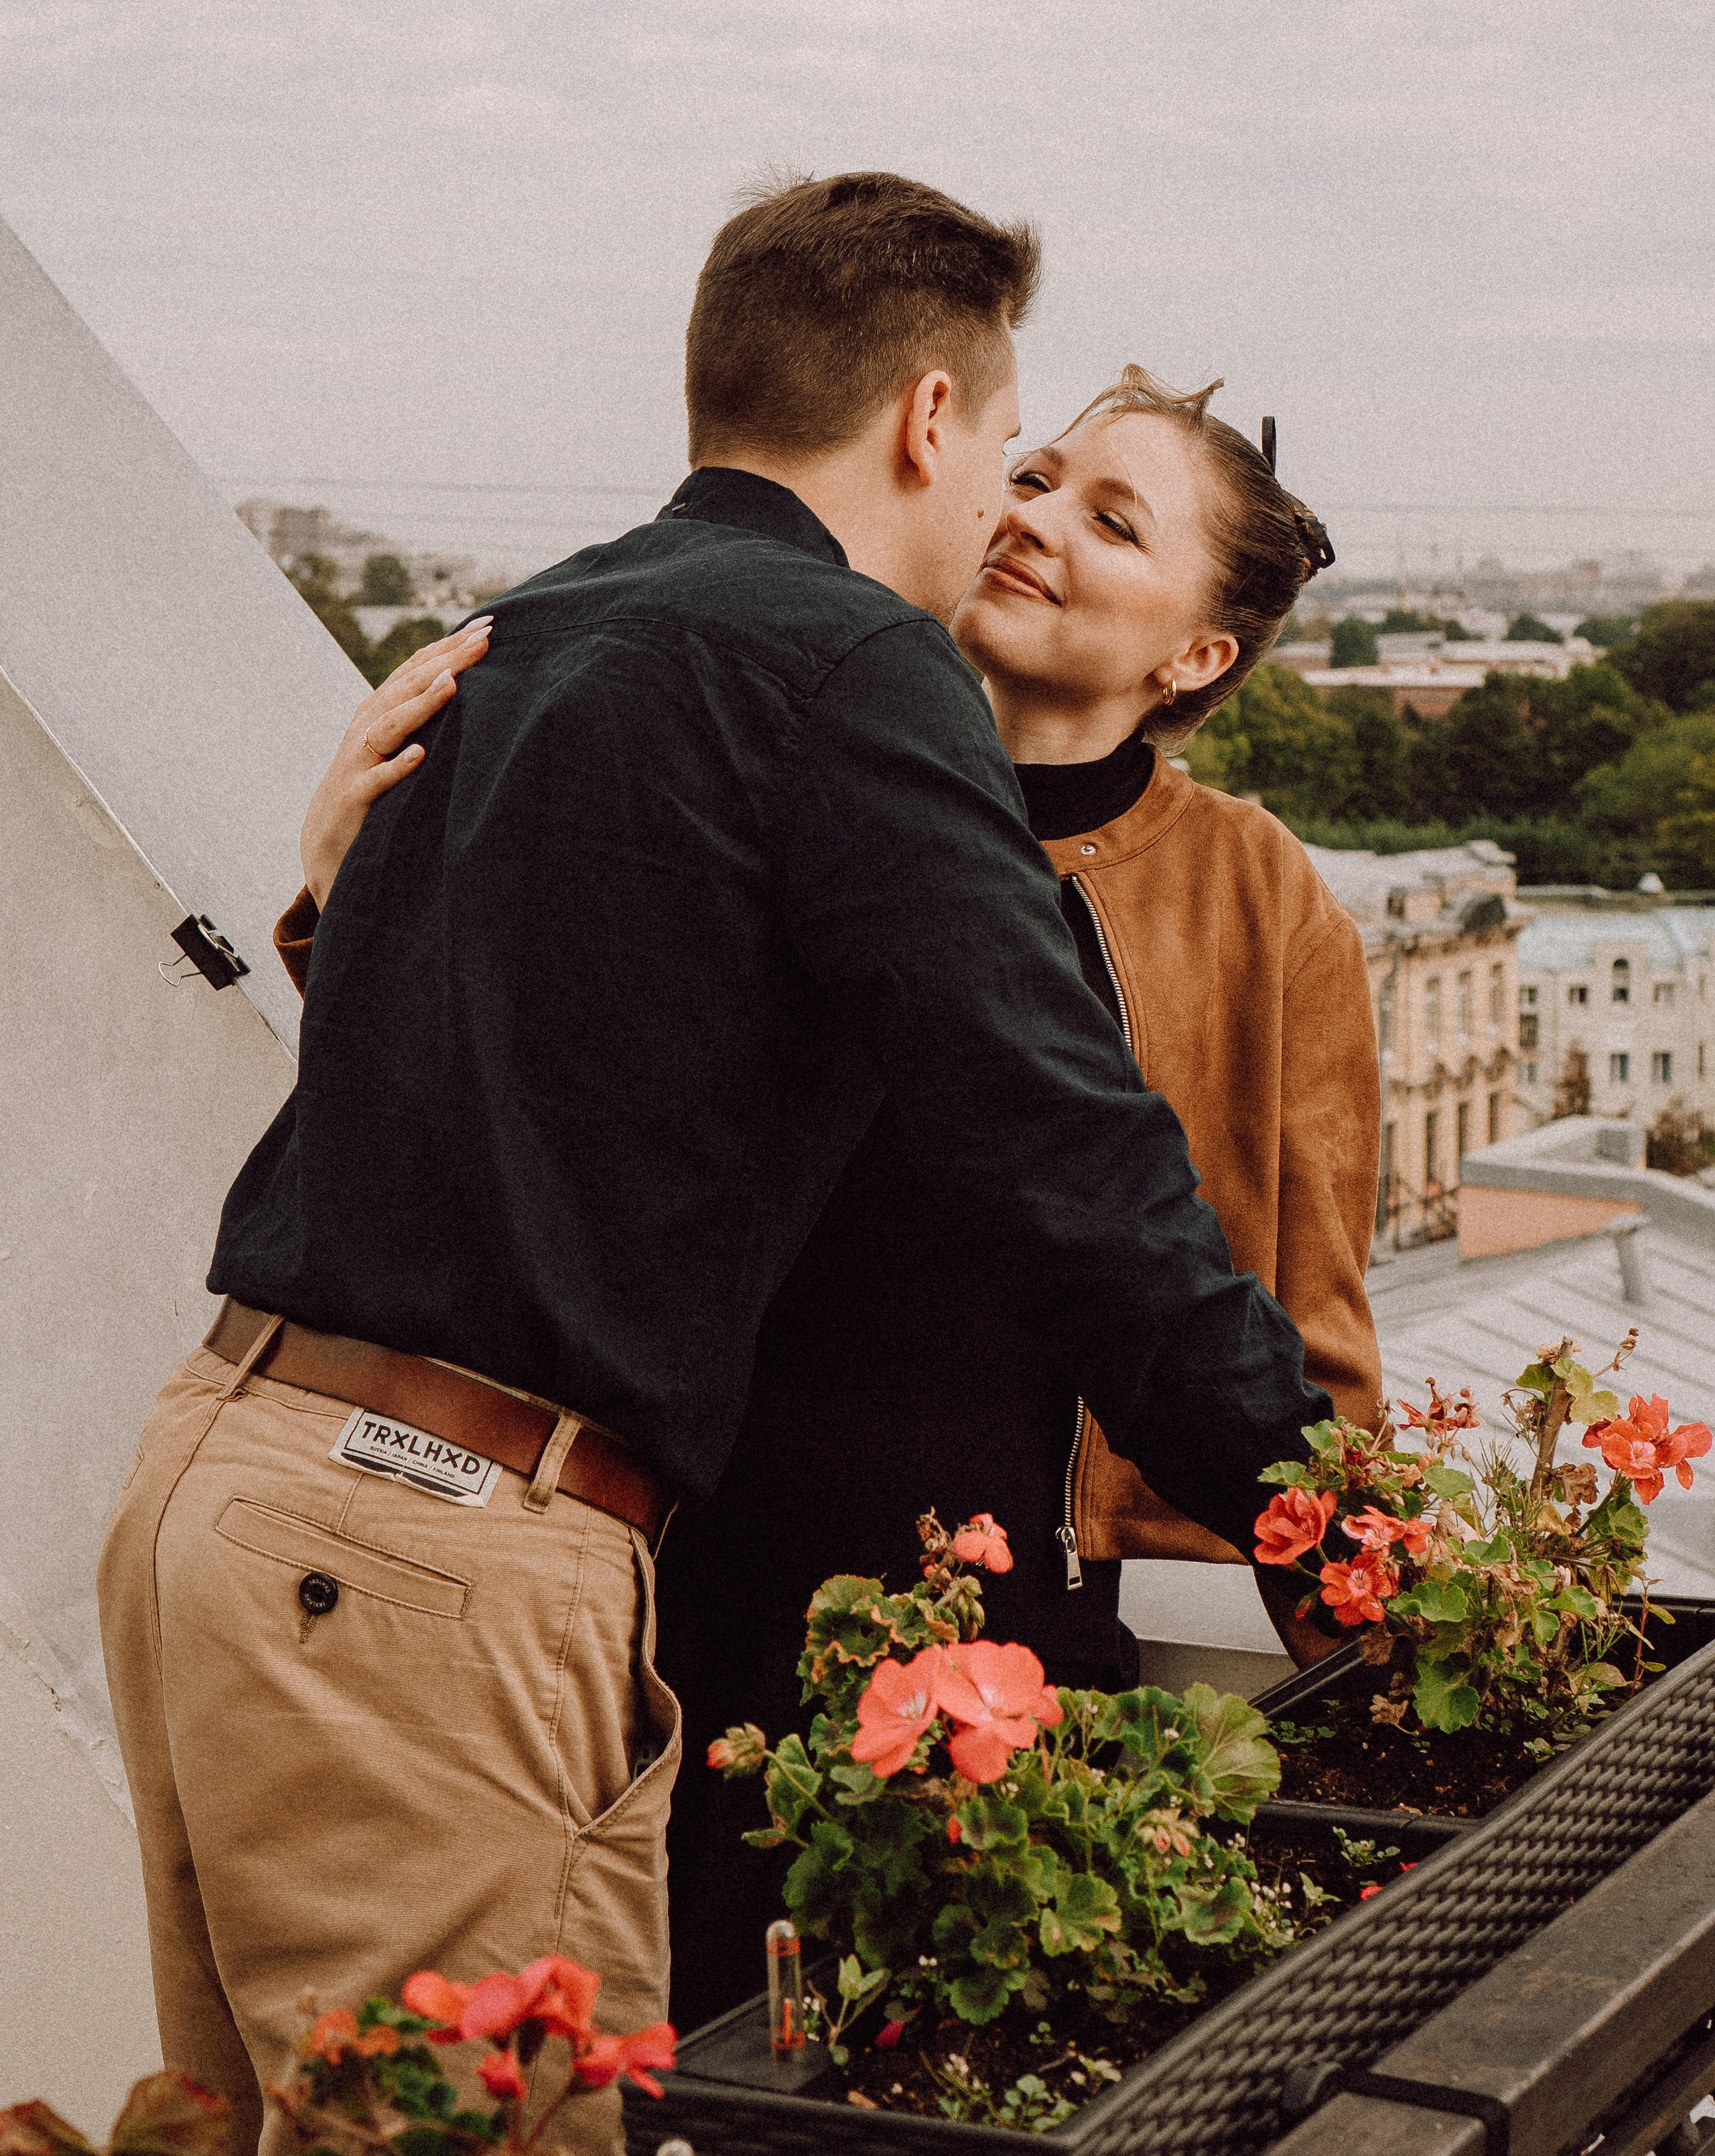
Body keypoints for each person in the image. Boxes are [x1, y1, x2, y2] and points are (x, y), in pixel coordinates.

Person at [98, 173, 1333, 2147]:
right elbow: (1071, 1165)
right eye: (1013, 452)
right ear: (927, 419)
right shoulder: (854, 668)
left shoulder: (525, 628)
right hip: (434, 1553)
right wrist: (1347, 1539)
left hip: (219, 1498)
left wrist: (336, 912)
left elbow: (542, 1067)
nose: (1005, 505)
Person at [281, 364, 1383, 2032]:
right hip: (686, 1576)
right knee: (682, 2053)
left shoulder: (1255, 894)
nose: (1028, 522)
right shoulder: (796, 749)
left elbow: (1305, 1293)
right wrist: (336, 904)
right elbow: (536, 1085)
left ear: (1196, 656)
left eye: (1109, 518)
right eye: (1028, 475)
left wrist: (1370, 1615)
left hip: (1010, 1613)